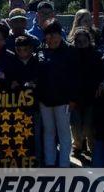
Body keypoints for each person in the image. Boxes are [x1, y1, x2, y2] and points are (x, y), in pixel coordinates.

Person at [37, 19, 78, 167]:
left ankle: (64, 165)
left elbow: (75, 77)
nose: (52, 37)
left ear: (60, 34)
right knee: (49, 133)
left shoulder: (70, 50)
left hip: (64, 101)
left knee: (64, 134)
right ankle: (49, 162)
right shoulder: (40, 49)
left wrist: (73, 99)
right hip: (45, 101)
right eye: (48, 34)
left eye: (55, 34)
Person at [71, 27, 102, 158]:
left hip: (91, 97)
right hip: (75, 97)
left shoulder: (96, 55)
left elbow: (101, 75)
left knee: (89, 127)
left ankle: (92, 149)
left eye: (84, 41)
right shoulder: (71, 55)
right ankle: (78, 146)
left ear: (89, 41)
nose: (82, 44)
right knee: (76, 127)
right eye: (79, 41)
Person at [11, 35, 42, 162]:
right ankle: (21, 159)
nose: (22, 52)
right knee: (19, 134)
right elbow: (11, 81)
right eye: (19, 50)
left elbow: (38, 81)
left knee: (36, 134)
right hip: (18, 105)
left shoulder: (37, 62)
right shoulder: (13, 62)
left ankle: (38, 159)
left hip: (35, 105)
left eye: (25, 49)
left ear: (31, 49)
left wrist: (22, 84)